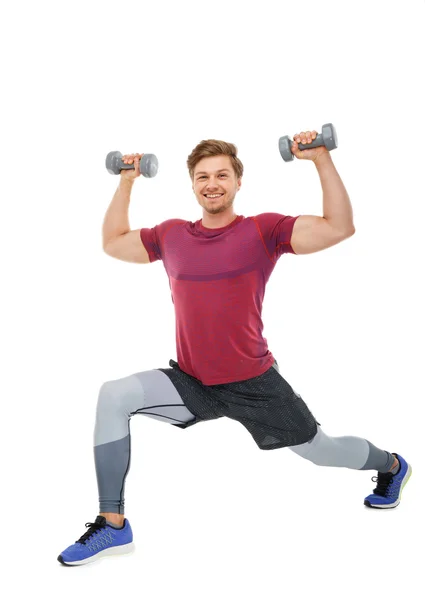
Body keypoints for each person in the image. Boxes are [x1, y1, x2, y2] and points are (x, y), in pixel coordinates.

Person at [58, 131, 412, 567]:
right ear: (192, 184)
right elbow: (113, 242)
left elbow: (340, 227)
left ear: (237, 182)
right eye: (203, 176)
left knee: (323, 451)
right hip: (193, 381)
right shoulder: (170, 236)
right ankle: (112, 524)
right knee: (114, 394)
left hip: (255, 383)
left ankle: (393, 466)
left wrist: (320, 158)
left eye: (222, 174)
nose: (212, 183)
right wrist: (126, 180)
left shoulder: (262, 231)